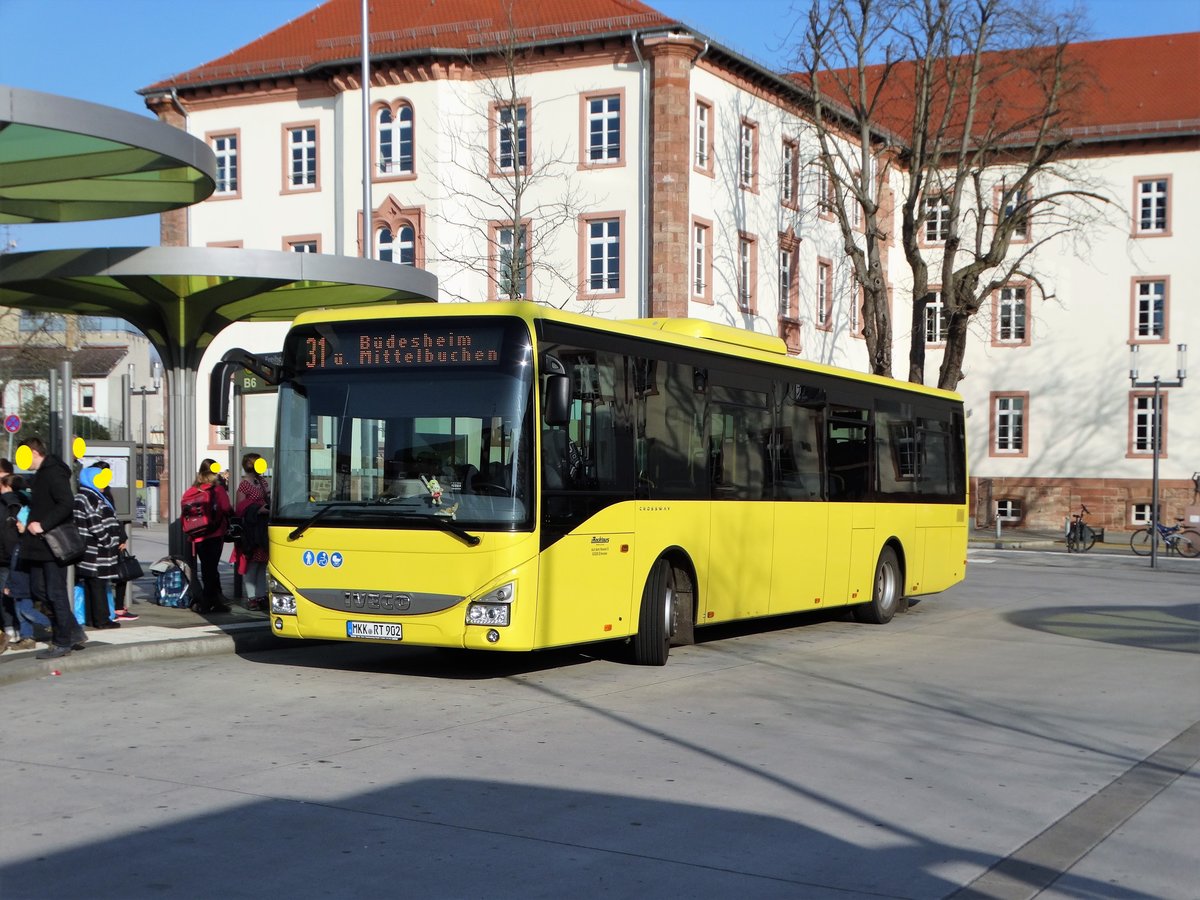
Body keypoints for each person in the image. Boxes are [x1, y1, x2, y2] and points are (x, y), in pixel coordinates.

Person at [19, 437, 86, 659]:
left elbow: (66, 503)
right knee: (39, 589)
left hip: (51, 544)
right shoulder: (41, 474)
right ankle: (73, 630)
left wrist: (43, 524)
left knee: (55, 592)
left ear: (34, 453)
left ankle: (62, 641)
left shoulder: (53, 472)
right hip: (39, 546)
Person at [73, 464, 124, 630]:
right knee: (98, 585)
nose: (103, 483)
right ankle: (102, 620)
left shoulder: (83, 495)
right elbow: (95, 524)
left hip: (88, 549)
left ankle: (91, 618)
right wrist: (108, 541)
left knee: (90, 584)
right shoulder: (91, 497)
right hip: (97, 551)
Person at [186, 458, 232, 614]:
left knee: (208, 568)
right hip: (214, 533)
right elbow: (226, 508)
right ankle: (207, 603)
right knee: (210, 570)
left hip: (197, 535)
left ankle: (216, 601)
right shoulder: (217, 490)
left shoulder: (192, 490)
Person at [93, 460, 137, 621]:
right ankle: (112, 608)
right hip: (104, 541)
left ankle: (117, 607)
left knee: (120, 574)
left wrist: (122, 537)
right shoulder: (96, 494)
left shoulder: (106, 492)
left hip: (113, 539)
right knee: (108, 576)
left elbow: (115, 517)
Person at [230, 452, 270, 611]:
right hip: (251, 530)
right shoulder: (244, 484)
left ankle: (260, 595)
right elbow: (239, 508)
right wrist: (257, 509)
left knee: (262, 564)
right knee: (252, 565)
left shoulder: (262, 482)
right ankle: (252, 597)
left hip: (262, 527)